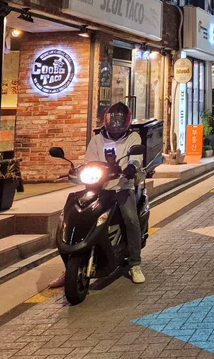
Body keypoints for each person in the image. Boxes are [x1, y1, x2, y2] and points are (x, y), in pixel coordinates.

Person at [49, 102, 145, 288]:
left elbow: (136, 158)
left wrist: (131, 168)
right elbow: (89, 162)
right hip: (97, 187)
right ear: (106, 120)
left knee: (131, 219)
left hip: (121, 187)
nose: (116, 124)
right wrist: (77, 171)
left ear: (126, 121)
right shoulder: (97, 140)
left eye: (119, 121)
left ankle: (135, 263)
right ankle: (69, 265)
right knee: (72, 217)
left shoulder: (133, 137)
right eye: (113, 120)